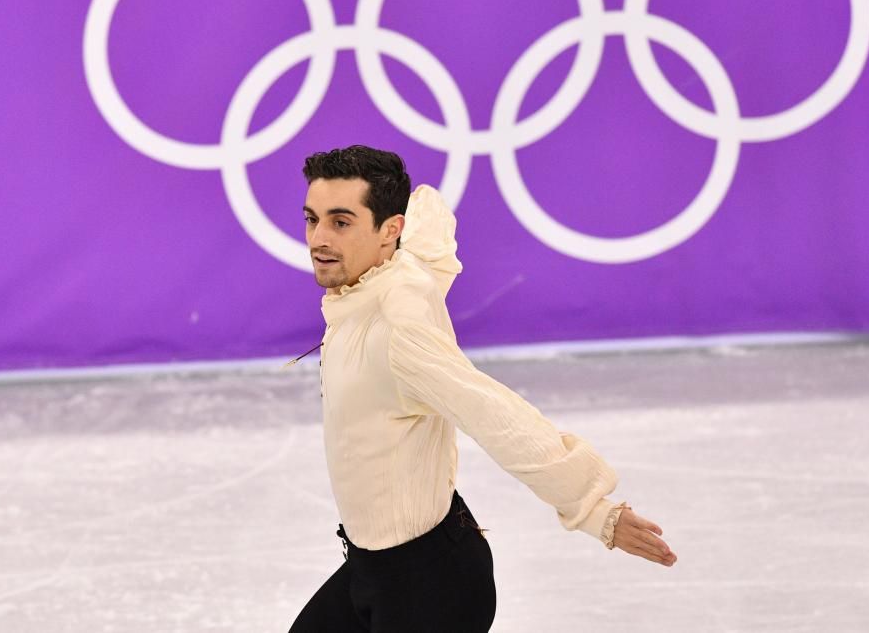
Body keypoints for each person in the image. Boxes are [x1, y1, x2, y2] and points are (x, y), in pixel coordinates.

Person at [288, 145, 676, 632]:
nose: (318, 239)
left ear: (389, 231)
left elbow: (497, 417)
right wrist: (411, 205)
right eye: (312, 218)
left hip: (432, 587)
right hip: (372, 570)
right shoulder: (396, 271)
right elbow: (429, 229)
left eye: (340, 222)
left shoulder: (398, 333)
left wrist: (593, 508)